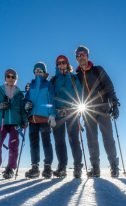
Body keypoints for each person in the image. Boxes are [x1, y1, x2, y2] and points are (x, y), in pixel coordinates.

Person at [75, 45, 120, 178]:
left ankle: (114, 167)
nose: (80, 57)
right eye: (78, 55)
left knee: (108, 139)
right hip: (88, 111)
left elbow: (109, 86)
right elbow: (75, 96)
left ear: (87, 56)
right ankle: (95, 169)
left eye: (82, 54)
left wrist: (115, 103)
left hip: (103, 108)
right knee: (91, 140)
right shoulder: (77, 76)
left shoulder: (97, 70)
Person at [0, 68, 27, 180]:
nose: (11, 78)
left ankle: (10, 169)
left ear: (16, 79)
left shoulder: (19, 94)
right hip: (2, 121)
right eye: (8, 76)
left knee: (13, 145)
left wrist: (24, 121)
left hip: (15, 123)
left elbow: (22, 110)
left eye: (13, 77)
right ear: (5, 78)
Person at [50, 55, 83, 178]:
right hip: (58, 114)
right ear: (57, 65)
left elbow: (80, 94)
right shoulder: (53, 81)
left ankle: (78, 167)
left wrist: (79, 109)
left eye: (63, 62)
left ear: (67, 64)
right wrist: (52, 114)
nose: (61, 65)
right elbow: (50, 98)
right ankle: (62, 167)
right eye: (59, 63)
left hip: (72, 113)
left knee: (74, 140)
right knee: (59, 142)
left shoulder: (74, 78)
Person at [23, 62, 56, 178]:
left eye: (40, 70)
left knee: (46, 142)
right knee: (34, 144)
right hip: (32, 119)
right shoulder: (30, 85)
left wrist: (52, 115)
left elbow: (52, 100)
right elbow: (26, 100)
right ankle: (35, 167)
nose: (38, 72)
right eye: (36, 70)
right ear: (34, 72)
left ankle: (47, 167)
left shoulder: (48, 85)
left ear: (44, 72)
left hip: (45, 119)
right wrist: (26, 105)